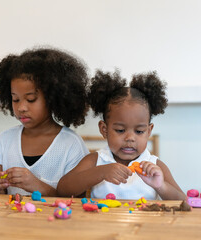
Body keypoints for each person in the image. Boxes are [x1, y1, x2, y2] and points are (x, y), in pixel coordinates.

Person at [57, 70, 186, 200]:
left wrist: (161, 186)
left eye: (139, 131)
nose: (130, 138)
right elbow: (63, 190)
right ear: (104, 129)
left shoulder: (155, 165)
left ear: (149, 131)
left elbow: (183, 201)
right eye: (120, 130)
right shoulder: (95, 160)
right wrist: (100, 172)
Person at [0, 47, 90, 196]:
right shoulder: (5, 140)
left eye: (31, 99)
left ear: (52, 98)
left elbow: (78, 201)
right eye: (15, 99)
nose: (21, 107)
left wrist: (36, 185)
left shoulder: (71, 145)